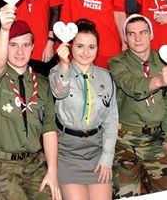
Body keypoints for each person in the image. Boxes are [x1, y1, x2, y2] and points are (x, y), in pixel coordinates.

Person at [0, 5, 61, 200]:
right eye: (13, 45)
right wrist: (5, 29)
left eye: (25, 45)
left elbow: (49, 130)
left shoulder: (42, 83)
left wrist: (52, 172)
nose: (20, 51)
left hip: (34, 163)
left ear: (33, 47)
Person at [109, 14, 167, 197]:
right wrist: (158, 80)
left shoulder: (166, 61)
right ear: (125, 38)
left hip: (155, 139)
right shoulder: (117, 63)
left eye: (142, 32)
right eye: (131, 34)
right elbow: (132, 85)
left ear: (151, 35)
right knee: (126, 194)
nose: (138, 38)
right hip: (123, 139)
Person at [49, 19, 118, 200]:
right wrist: (64, 64)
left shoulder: (106, 77)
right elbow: (59, 91)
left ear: (97, 48)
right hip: (67, 152)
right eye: (80, 46)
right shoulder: (57, 72)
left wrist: (107, 159)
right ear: (71, 47)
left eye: (91, 47)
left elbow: (111, 122)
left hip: (96, 151)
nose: (86, 53)